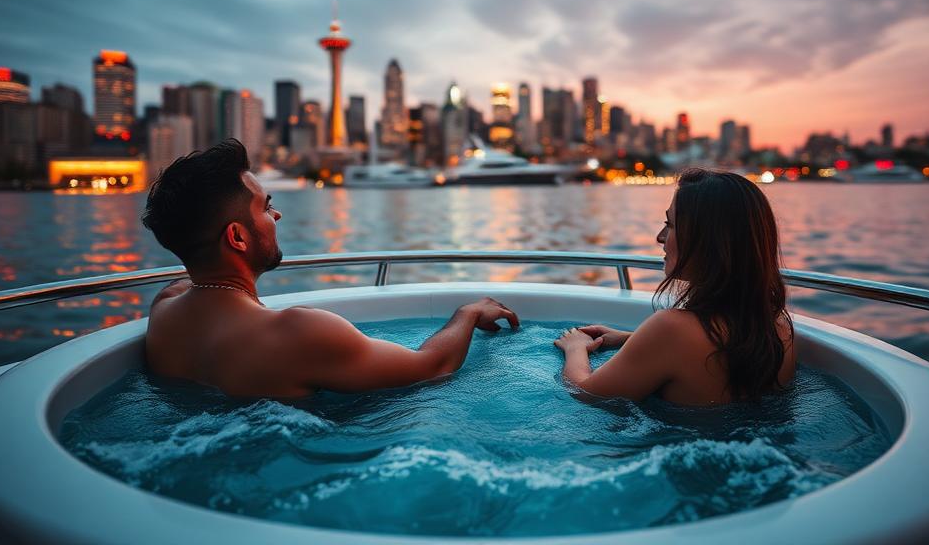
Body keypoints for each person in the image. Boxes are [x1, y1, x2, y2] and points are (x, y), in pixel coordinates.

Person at [140, 140, 518, 398]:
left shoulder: (165, 308)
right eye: (265, 207)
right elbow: (432, 367)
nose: (277, 214)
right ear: (238, 238)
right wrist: (466, 313)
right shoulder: (300, 333)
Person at [553, 168, 795, 405]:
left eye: (670, 225)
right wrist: (633, 339)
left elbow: (584, 393)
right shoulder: (779, 327)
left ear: (706, 240)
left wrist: (575, 348)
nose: (660, 237)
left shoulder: (670, 329)